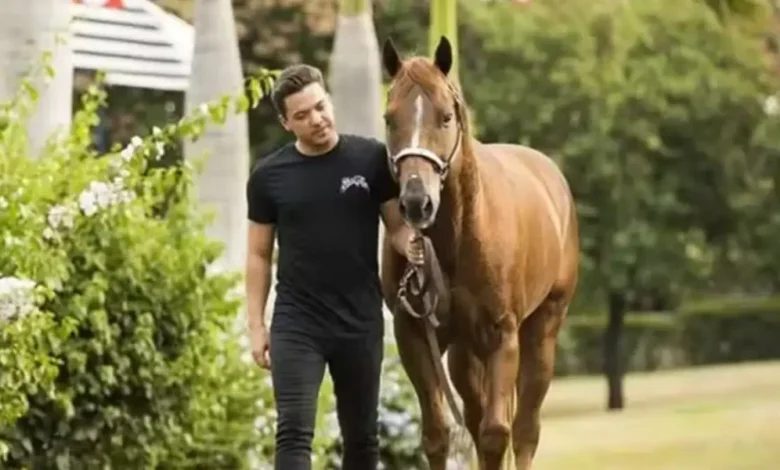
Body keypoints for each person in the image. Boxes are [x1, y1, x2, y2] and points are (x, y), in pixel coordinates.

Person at [244, 64, 421, 470]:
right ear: (287, 123)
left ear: (329, 100)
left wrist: (414, 247)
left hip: (359, 320)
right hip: (297, 322)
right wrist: (257, 325)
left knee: (362, 437)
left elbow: (396, 228)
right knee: (293, 432)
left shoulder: (372, 159)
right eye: (302, 115)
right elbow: (257, 255)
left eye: (320, 107)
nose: (316, 120)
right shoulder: (269, 177)